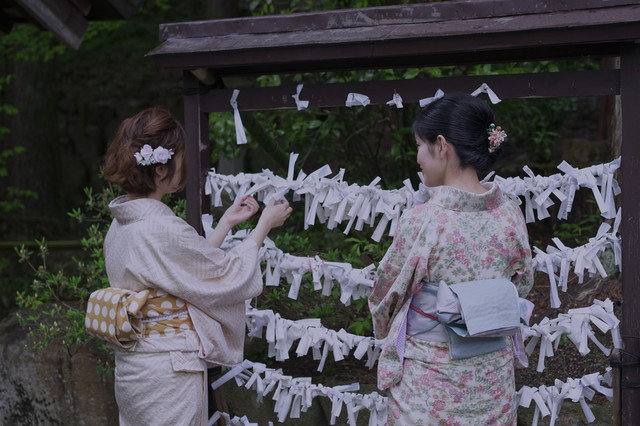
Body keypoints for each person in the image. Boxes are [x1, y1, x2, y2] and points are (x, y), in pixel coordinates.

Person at [97, 106, 292, 425]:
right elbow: (223, 275)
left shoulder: (121, 225)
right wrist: (263, 227)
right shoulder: (162, 228)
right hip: (169, 369)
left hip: (134, 367)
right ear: (161, 169)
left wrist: (225, 223)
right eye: (181, 158)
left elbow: (184, 272)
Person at [368, 92, 533, 425]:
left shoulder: (423, 219)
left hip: (430, 381)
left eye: (419, 145)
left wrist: (386, 326)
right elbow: (524, 284)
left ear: (441, 145)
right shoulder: (509, 213)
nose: (417, 157)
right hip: (493, 377)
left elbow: (387, 294)